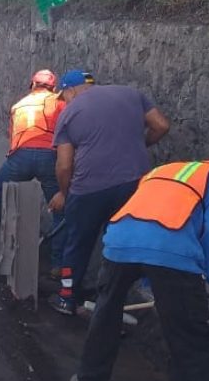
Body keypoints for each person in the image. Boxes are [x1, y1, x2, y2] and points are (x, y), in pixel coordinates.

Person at [69, 159, 209, 381]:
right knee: (191, 339)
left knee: (106, 312)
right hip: (172, 249)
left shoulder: (166, 170)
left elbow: (148, 218)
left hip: (119, 240)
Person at [47, 69, 171, 315]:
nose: (64, 102)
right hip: (134, 185)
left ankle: (67, 298)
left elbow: (64, 165)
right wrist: (140, 144)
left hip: (89, 188)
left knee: (77, 242)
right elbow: (161, 125)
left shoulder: (70, 113)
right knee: (118, 243)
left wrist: (64, 193)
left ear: (71, 91)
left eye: (63, 97)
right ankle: (110, 301)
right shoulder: (132, 94)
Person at [0, 70, 67, 263]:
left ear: (32, 85)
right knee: (59, 206)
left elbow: (14, 137)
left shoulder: (18, 106)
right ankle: (58, 263)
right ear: (53, 88)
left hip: (20, 156)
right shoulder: (60, 104)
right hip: (49, 156)